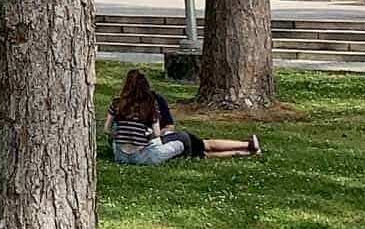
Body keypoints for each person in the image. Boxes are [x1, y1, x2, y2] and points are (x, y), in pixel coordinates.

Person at [104, 69, 260, 164]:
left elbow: (107, 130)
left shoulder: (118, 104)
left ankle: (246, 150)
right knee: (196, 144)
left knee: (202, 152)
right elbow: (157, 133)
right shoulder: (152, 103)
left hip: (126, 154)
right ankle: (246, 146)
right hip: (149, 149)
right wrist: (147, 136)